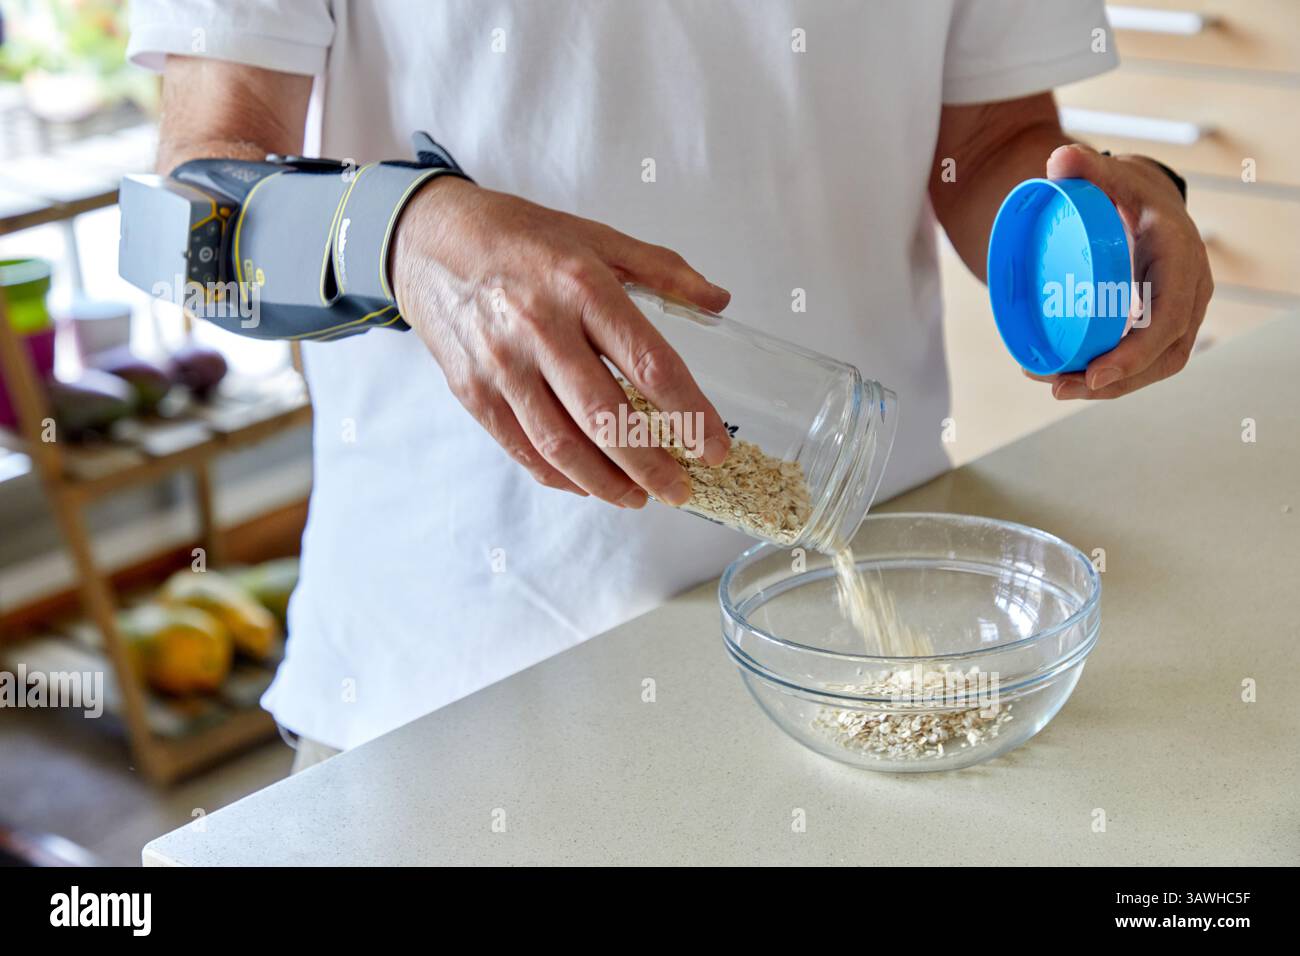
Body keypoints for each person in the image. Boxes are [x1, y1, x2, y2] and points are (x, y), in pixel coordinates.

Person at [126, 1, 1212, 771]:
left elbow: (988, 142)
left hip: (864, 638)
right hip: (463, 685)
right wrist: (410, 234)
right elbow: (189, 224)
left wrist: (1105, 223)